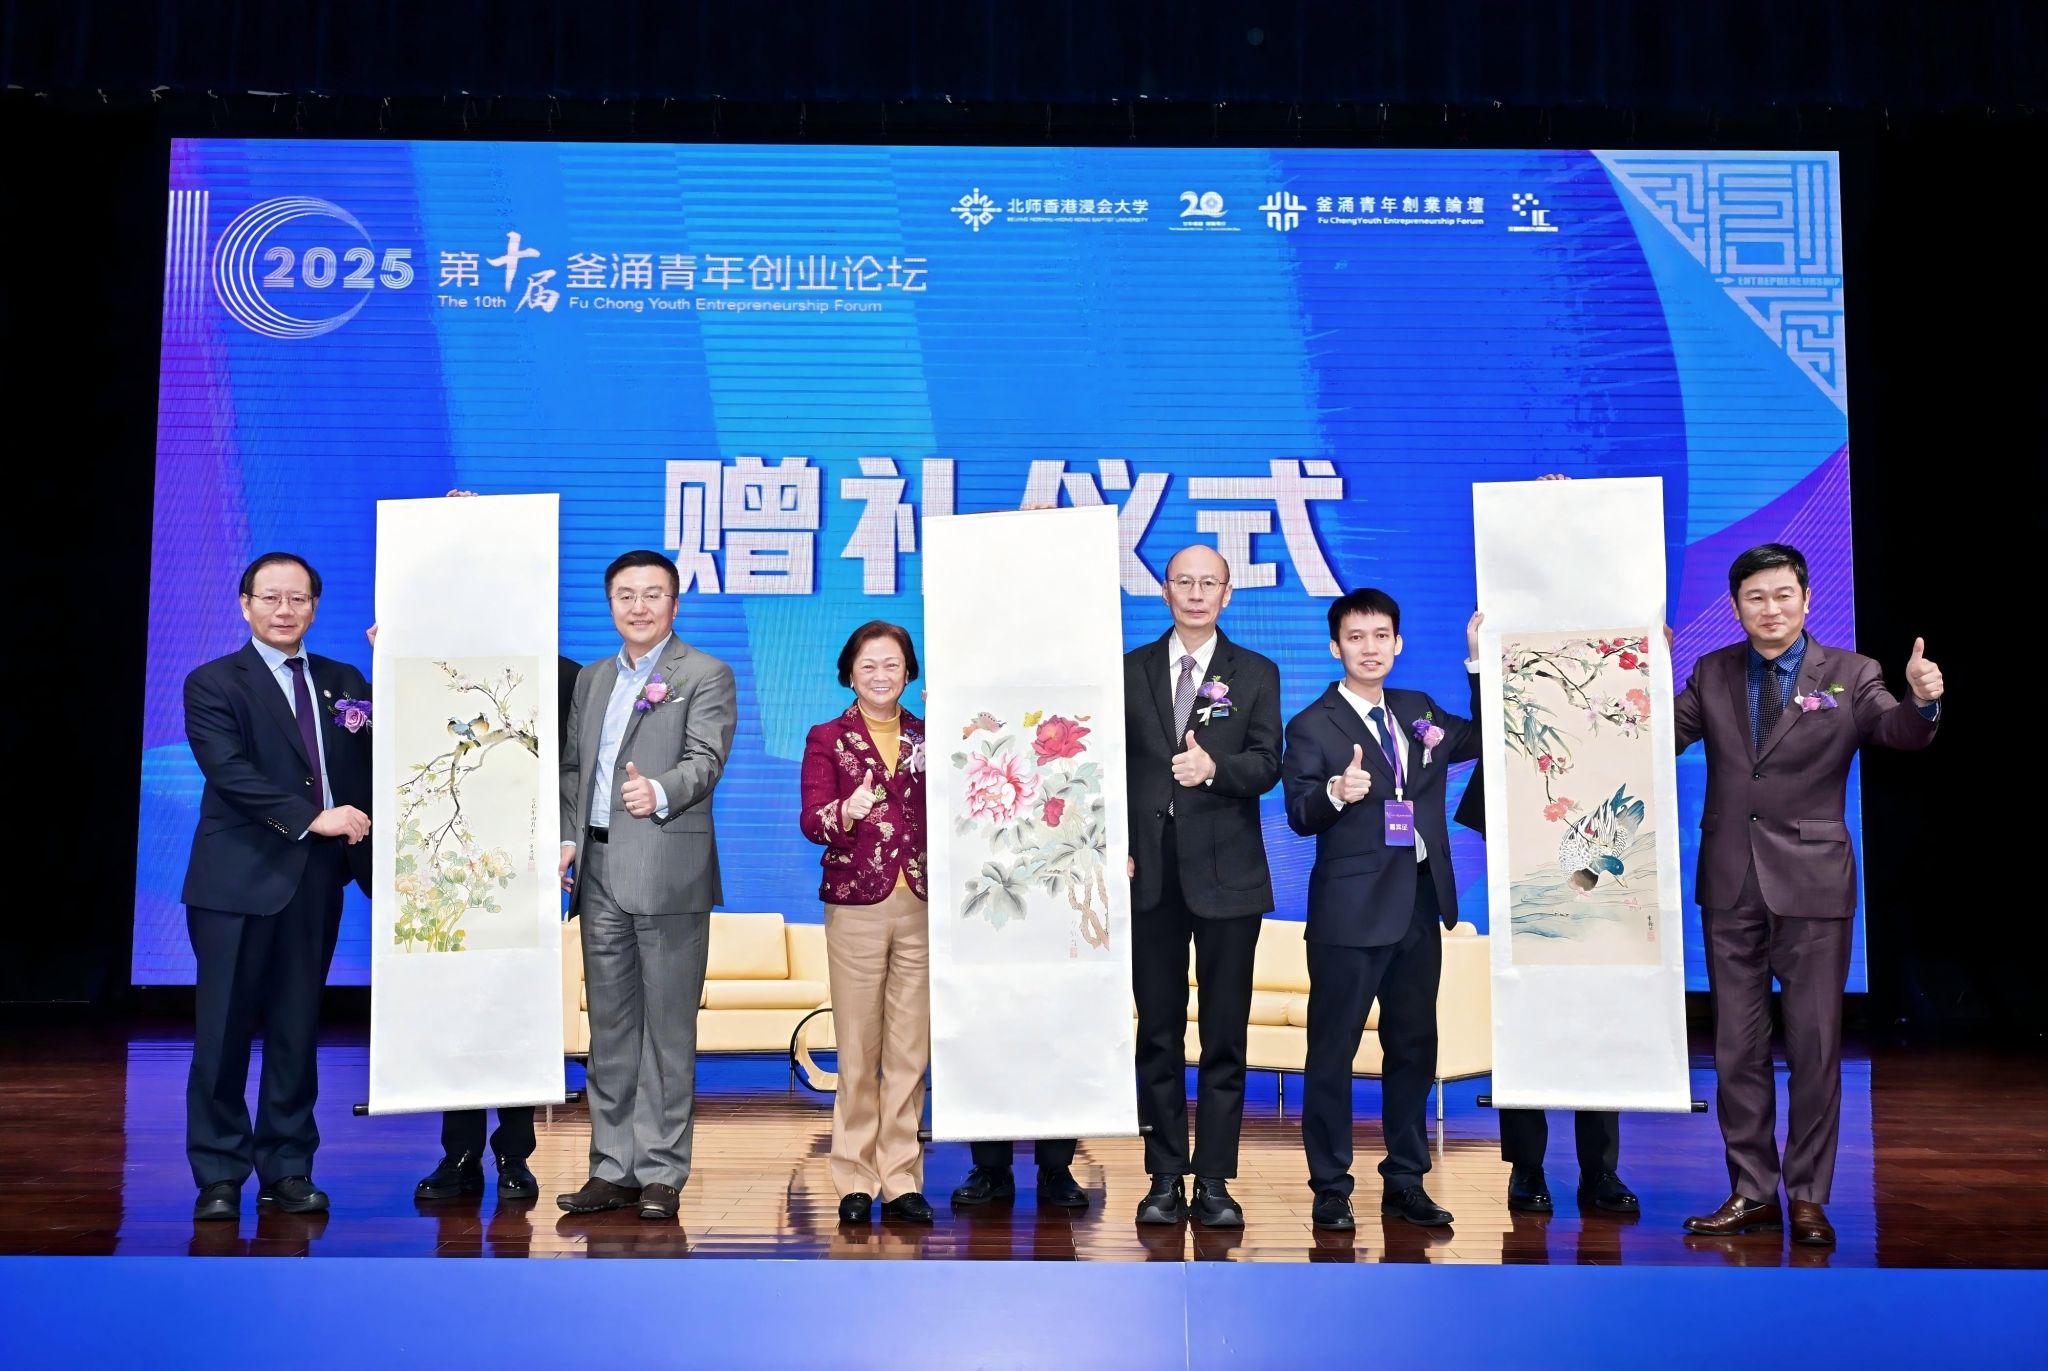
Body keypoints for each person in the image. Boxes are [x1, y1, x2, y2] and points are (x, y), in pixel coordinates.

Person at [1676, 544, 1941, 1248]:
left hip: (1815, 883)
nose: (1770, 608)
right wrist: (1636, 670)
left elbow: (1896, 730)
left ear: (1806, 598)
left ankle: (1808, 1197)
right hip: (1730, 881)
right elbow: (1653, 737)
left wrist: (1922, 700)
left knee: (1816, 1046)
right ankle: (1751, 1192)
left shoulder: (1852, 673)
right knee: (1735, 1048)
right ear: (1735, 606)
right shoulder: (1711, 671)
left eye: (1782, 594)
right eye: (1755, 597)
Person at [1281, 590, 1482, 1232]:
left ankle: (1406, 1180)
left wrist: (1479, 664)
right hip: (1350, 912)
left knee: (1414, 1047)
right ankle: (1330, 1186)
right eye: (1356, 637)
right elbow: (1299, 813)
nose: (1370, 648)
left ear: (1398, 643)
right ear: (1334, 647)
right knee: (1332, 1050)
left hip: (1420, 901)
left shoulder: (1418, 708)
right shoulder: (1311, 724)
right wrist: (1337, 792)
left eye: (1381, 635)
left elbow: (1483, 737)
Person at [184, 553, 373, 1221]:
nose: (284, 609)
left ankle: (288, 1169)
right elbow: (229, 771)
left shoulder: (345, 680)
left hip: (315, 881)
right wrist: (311, 818)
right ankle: (219, 1174)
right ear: (245, 605)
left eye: (298, 598)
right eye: (270, 597)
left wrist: (403, 662)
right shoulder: (213, 682)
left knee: (297, 1031)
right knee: (224, 1033)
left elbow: (380, 756)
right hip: (234, 882)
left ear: (315, 608)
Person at [555, 550, 737, 1222]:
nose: (639, 606)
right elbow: (575, 769)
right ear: (610, 604)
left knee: (666, 1031)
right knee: (609, 1030)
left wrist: (658, 791)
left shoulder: (705, 673)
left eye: (652, 594)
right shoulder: (594, 677)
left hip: (668, 873)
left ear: (674, 604)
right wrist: (570, 838)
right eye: (626, 595)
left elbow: (706, 759)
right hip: (598, 873)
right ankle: (612, 1168)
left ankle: (661, 1170)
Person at [1123, 546, 1282, 1228]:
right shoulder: (1127, 669)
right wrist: (1114, 845)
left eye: (1207, 582)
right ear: (1164, 591)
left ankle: (1214, 1178)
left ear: (1227, 593)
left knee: (1224, 1035)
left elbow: (1268, 763)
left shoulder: (1257, 671)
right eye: (1183, 581)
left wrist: (1214, 769)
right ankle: (1163, 1175)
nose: (1195, 593)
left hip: (1229, 877)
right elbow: (1104, 770)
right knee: (1157, 1034)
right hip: (1148, 875)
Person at [411, 652, 582, 1203]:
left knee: (519, 1012)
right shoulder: (438, 667)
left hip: (528, 871)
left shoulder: (564, 674)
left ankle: (515, 1153)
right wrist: (395, 655)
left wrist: (566, 843)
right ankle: (459, 1154)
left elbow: (577, 772)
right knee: (459, 1011)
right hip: (452, 867)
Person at [1454, 737, 1637, 1217]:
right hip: (1525, 856)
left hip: (1599, 850)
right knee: (1524, 1018)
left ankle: (1600, 1168)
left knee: (1598, 1018)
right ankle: (1526, 1166)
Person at [798, 621, 934, 1225]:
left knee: (909, 1050)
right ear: (849, 673)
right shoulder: (827, 737)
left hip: (922, 905)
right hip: (856, 904)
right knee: (857, 1048)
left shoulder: (930, 735)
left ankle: (901, 1176)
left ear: (909, 672)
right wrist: (843, 811)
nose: (881, 675)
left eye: (892, 664)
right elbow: (811, 820)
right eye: (869, 665)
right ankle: (854, 1176)